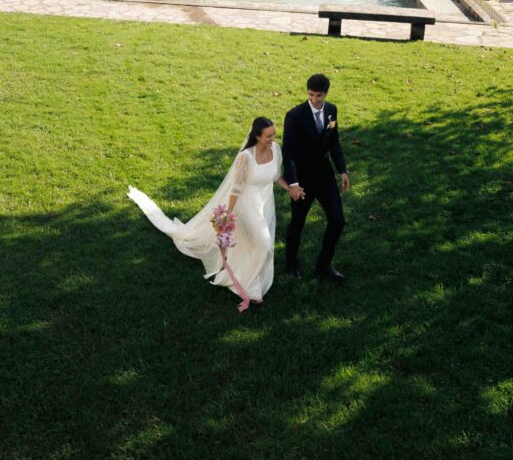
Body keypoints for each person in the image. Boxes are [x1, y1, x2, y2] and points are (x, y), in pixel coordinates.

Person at [128, 118, 295, 311]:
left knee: (255, 244)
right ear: (257, 136)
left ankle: (253, 281)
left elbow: (274, 176)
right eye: (268, 136)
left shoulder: (275, 150)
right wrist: (227, 217)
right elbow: (235, 190)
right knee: (264, 244)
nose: (272, 139)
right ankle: (249, 286)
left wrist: (290, 188)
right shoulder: (245, 158)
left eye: (274, 134)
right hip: (246, 206)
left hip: (266, 204)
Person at [282, 73, 350, 282]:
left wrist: (342, 170)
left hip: (325, 176)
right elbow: (288, 152)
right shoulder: (294, 116)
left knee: (338, 220)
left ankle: (324, 265)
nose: (314, 100)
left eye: (318, 96)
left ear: (326, 94)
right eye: (310, 95)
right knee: (298, 222)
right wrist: (293, 183)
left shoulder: (331, 111)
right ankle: (291, 262)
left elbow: (334, 142)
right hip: (302, 179)